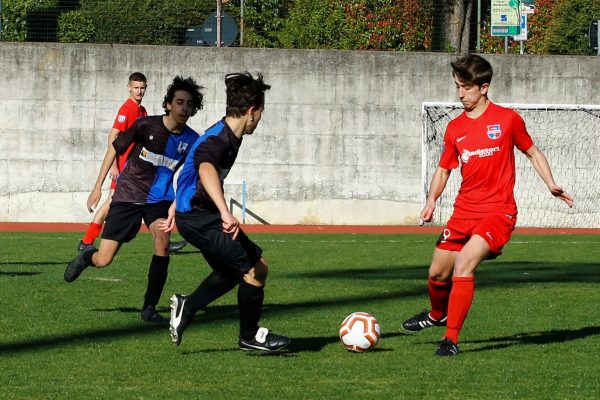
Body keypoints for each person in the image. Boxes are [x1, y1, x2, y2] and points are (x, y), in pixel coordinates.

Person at [401, 54, 573, 356]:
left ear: (484, 87)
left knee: (464, 264)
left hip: (498, 212)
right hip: (463, 212)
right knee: (436, 274)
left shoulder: (507, 119)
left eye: (466, 87)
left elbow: (533, 153)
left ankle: (450, 339)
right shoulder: (454, 128)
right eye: (457, 87)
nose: (460, 94)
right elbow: (443, 170)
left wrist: (551, 184)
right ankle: (437, 314)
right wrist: (431, 201)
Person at [64, 76, 204, 325]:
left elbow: (192, 176)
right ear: (169, 104)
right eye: (179, 102)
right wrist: (98, 187)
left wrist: (177, 204)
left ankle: (149, 308)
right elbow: (114, 148)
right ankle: (86, 257)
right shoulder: (145, 125)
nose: (184, 108)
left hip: (159, 199)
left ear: (193, 109)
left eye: (189, 104)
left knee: (162, 239)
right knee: (104, 259)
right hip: (129, 194)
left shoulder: (192, 140)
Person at [167, 72, 290, 352]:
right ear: (250, 111)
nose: (259, 120)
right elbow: (206, 168)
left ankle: (188, 305)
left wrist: (177, 202)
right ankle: (249, 336)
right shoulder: (219, 139)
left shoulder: (229, 135)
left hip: (196, 215)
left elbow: (190, 173)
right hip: (201, 218)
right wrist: (225, 211)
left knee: (232, 270)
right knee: (255, 270)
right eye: (260, 113)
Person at [78, 72, 148, 252]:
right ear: (129, 88)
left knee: (119, 202)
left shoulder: (142, 110)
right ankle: (86, 241)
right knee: (111, 202)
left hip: (135, 167)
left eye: (142, 88)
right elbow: (112, 137)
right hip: (124, 166)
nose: (139, 91)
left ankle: (87, 241)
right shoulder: (127, 109)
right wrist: (115, 165)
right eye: (136, 88)